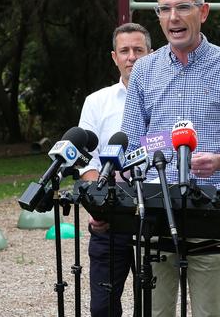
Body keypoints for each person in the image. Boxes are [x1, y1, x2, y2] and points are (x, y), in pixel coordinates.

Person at [121, 0, 220, 317]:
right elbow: (130, 145)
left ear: (203, 12)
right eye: (164, 9)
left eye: (182, 7)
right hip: (156, 212)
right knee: (155, 313)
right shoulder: (144, 70)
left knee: (209, 314)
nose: (173, 17)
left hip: (210, 213)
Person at [78, 22, 152, 317]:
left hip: (155, 210)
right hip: (111, 212)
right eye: (125, 51)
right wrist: (100, 205)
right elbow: (86, 159)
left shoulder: (166, 100)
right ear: (114, 57)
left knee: (151, 306)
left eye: (139, 50)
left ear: (152, 54)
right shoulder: (96, 102)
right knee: (103, 307)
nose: (132, 57)